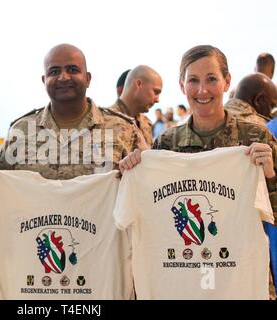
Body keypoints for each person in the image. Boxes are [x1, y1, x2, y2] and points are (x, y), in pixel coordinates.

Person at [119, 44, 277, 299]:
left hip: (239, 280)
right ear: (182, 86)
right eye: (193, 80)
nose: (202, 90)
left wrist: (270, 175)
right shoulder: (165, 144)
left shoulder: (256, 137)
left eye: (211, 79)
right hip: (184, 280)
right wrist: (136, 167)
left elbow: (272, 215)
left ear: (227, 82)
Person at [0, 43, 147, 178]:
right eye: (54, 72)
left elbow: (146, 189)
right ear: (44, 81)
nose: (63, 77)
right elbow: (0, 193)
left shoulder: (124, 129)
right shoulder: (20, 131)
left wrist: (138, 168)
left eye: (72, 69)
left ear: (88, 79)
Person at [109, 66, 163, 146]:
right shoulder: (104, 122)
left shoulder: (146, 123)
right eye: (155, 92)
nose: (157, 100)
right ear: (138, 84)